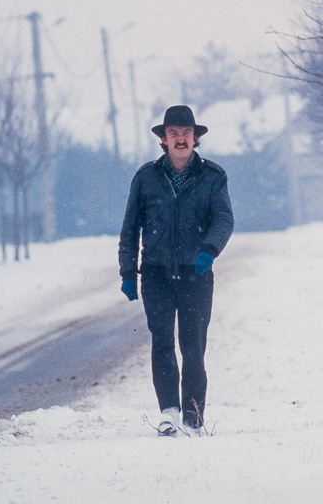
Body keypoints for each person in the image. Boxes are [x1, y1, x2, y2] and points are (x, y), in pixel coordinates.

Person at [118, 105, 234, 436]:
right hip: (156, 275)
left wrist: (208, 250)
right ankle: (169, 411)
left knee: (193, 345)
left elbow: (224, 219)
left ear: (195, 138)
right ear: (164, 140)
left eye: (186, 133)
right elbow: (130, 228)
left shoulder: (213, 177)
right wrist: (128, 272)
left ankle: (193, 418)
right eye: (173, 133)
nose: (180, 139)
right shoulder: (146, 178)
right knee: (162, 342)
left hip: (196, 275)